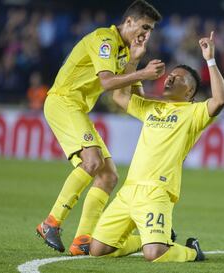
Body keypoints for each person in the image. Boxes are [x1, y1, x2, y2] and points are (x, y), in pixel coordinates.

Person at [36, 0, 164, 255]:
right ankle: (51, 223)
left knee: (108, 176)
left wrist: (136, 63)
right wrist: (142, 73)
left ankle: (82, 239)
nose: (146, 34)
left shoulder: (125, 52)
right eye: (143, 27)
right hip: (63, 101)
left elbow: (127, 95)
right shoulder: (104, 39)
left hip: (77, 108)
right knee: (93, 162)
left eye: (150, 30)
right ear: (128, 22)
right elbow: (107, 83)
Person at [89, 31, 224, 262]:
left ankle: (192, 251)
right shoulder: (152, 108)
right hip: (129, 190)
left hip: (157, 192)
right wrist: (134, 59)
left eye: (179, 78)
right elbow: (119, 97)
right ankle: (144, 240)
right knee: (98, 250)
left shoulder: (194, 113)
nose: (170, 78)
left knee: (154, 255)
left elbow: (220, 100)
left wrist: (210, 59)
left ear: (190, 92)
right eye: (170, 75)